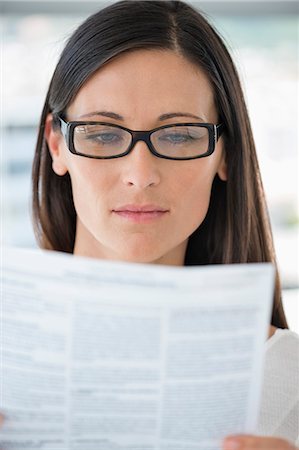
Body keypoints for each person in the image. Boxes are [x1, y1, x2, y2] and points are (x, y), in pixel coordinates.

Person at [8, 0, 299, 448]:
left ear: (225, 152)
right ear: (57, 144)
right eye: (103, 133)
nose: (140, 173)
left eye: (179, 134)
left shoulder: (289, 381)